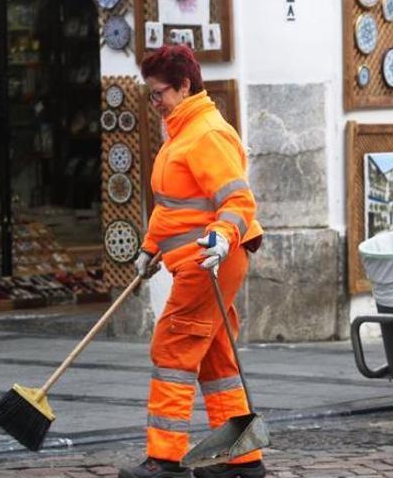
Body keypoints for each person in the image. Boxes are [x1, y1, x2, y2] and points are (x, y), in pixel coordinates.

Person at [118, 45, 265, 478]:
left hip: (211, 261)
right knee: (217, 358)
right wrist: (150, 248)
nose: (155, 102)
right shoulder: (180, 132)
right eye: (151, 94)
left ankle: (164, 460)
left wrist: (222, 237)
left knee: (173, 347)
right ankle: (242, 459)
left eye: (159, 92)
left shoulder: (207, 134)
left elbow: (238, 200)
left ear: (184, 86)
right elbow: (171, 205)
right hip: (195, 260)